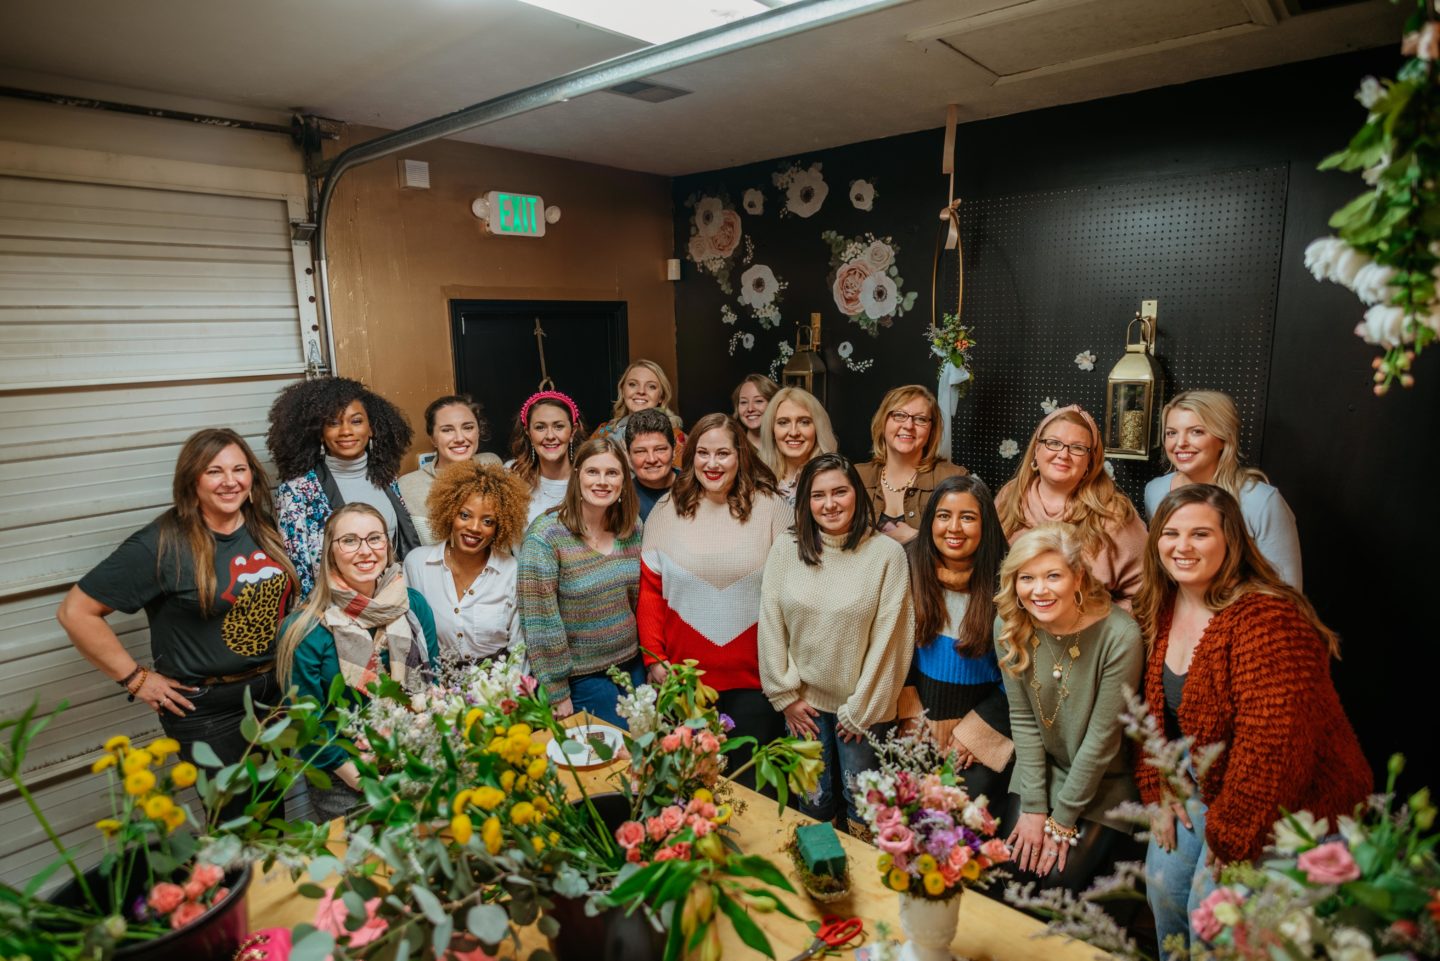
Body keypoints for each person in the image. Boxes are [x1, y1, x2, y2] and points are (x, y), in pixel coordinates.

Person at [1134, 484, 1369, 950]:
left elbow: (1275, 747)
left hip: (1288, 802)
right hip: (1205, 783)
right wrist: (1156, 784)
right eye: (1170, 533)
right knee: (1164, 892)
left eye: (1200, 534)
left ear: (1231, 542)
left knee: (1215, 923)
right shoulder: (1163, 603)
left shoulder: (1267, 618)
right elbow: (1153, 711)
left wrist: (1234, 837)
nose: (1181, 546)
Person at [57, 428, 299, 784]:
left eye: (239, 469)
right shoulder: (161, 544)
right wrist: (136, 679)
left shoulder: (265, 527)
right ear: (192, 480)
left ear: (252, 475)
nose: (229, 482)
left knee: (272, 807)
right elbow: (75, 612)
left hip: (274, 693)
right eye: (214, 471)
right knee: (235, 822)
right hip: (209, 710)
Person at [759, 453, 914, 838]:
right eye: (818, 495)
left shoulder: (886, 554)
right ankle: (818, 881)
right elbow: (770, 622)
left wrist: (862, 709)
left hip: (863, 710)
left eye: (840, 492)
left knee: (865, 806)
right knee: (811, 802)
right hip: (802, 705)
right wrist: (784, 695)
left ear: (858, 495)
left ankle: (863, 890)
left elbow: (892, 639)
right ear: (806, 503)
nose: (829, 504)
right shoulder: (786, 547)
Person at [638, 413, 793, 784]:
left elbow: (793, 590)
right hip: (685, 679)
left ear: (740, 454)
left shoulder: (772, 506)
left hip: (757, 679)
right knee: (693, 786)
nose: (712, 463)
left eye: (722, 453)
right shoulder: (665, 509)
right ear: (690, 456)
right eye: (703, 453)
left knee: (755, 790)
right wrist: (654, 658)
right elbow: (650, 591)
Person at [995, 522, 1144, 894]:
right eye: (1026, 578)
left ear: (1077, 577)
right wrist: (1033, 807)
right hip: (1042, 771)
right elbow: (1024, 719)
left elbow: (1101, 742)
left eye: (1053, 576)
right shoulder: (1010, 624)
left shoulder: (1120, 635)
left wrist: (1061, 820)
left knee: (1057, 886)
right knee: (1007, 875)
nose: (1038, 590)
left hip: (1102, 782)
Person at [275, 504, 439, 823]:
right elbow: (307, 726)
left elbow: (431, 683)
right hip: (344, 781)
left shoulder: (413, 605)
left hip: (415, 757)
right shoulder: (304, 629)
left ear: (388, 546)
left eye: (375, 539)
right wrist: (361, 780)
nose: (365, 551)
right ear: (330, 552)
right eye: (349, 540)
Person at [900, 474, 1012, 804]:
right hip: (915, 725)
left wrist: (974, 734)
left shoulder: (1008, 582)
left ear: (986, 525)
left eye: (968, 517)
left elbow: (1021, 676)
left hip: (979, 734)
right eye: (944, 516)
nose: (954, 528)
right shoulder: (907, 568)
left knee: (960, 835)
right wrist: (909, 713)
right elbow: (893, 651)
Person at [518, 436, 644, 727]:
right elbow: (540, 620)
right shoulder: (546, 536)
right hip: (581, 676)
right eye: (592, 471)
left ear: (624, 482)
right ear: (577, 477)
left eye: (612, 473)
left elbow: (641, 601)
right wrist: (556, 691)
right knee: (614, 759)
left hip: (632, 663)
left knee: (649, 751)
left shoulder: (632, 528)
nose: (602, 481)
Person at [269, 376, 419, 599]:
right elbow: (299, 570)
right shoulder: (297, 491)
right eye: (333, 423)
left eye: (356, 421)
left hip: (391, 601)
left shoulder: (386, 479)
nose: (346, 431)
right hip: (334, 611)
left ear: (372, 429)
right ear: (320, 432)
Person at [1143, 390, 1302, 589]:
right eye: (1171, 433)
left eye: (1196, 431)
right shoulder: (1155, 491)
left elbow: (1287, 590)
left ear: (1223, 438)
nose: (1180, 443)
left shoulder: (1260, 501)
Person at [995, 405, 1148, 609]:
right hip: (1012, 628)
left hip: (1084, 635)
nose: (1063, 454)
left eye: (1077, 448)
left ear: (1090, 461)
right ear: (1036, 450)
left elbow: (1145, 591)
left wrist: (1096, 626)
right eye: (1053, 443)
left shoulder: (1113, 513)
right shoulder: (1010, 496)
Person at [403, 461, 529, 664]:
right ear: (450, 513)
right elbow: (408, 638)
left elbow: (519, 647)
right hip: (435, 683)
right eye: (465, 515)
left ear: (500, 527)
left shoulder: (510, 571)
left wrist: (508, 693)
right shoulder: (417, 564)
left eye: (488, 521)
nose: (474, 527)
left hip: (496, 684)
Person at [855, 385, 968, 544]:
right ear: (883, 421)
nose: (908, 426)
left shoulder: (953, 479)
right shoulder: (856, 477)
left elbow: (971, 545)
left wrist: (917, 538)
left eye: (920, 419)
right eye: (899, 415)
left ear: (932, 430)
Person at [398, 394, 503, 545]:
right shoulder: (408, 486)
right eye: (447, 430)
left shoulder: (492, 464)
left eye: (468, 427)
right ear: (433, 438)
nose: (460, 438)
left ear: (478, 431)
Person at [507, 389, 585, 527]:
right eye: (540, 427)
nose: (550, 436)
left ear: (572, 431)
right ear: (529, 434)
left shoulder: (589, 479)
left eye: (558, 426)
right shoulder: (511, 475)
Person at [591, 359, 686, 465]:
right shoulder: (603, 432)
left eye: (651, 387)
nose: (641, 391)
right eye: (632, 384)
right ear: (623, 390)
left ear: (661, 397)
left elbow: (682, 479)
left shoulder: (675, 436)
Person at [757, 386, 837, 504]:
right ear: (772, 430)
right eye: (783, 422)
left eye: (804, 422)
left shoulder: (837, 477)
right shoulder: (756, 479)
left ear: (817, 429)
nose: (794, 432)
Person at [625, 408, 680, 522]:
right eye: (641, 451)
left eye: (660, 449)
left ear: (673, 450)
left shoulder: (694, 489)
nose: (651, 459)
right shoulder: (622, 498)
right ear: (629, 455)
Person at [732, 374, 779, 450]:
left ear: (773, 403)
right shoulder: (733, 447)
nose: (750, 409)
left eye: (758, 401)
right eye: (744, 402)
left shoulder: (785, 446)